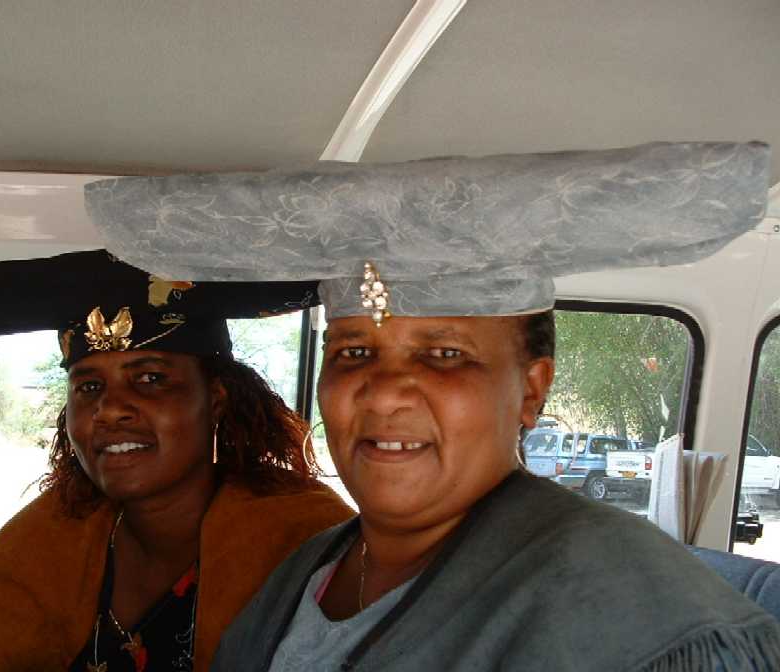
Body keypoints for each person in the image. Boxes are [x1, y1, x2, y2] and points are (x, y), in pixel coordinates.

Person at [86, 142, 780, 670]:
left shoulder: (638, 612)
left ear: (532, 391)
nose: (383, 391)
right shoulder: (315, 566)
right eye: (353, 353)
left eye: (444, 355)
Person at [0, 250, 354, 672]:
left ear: (215, 400)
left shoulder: (313, 546)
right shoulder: (29, 554)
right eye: (88, 387)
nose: (109, 409)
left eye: (150, 378)